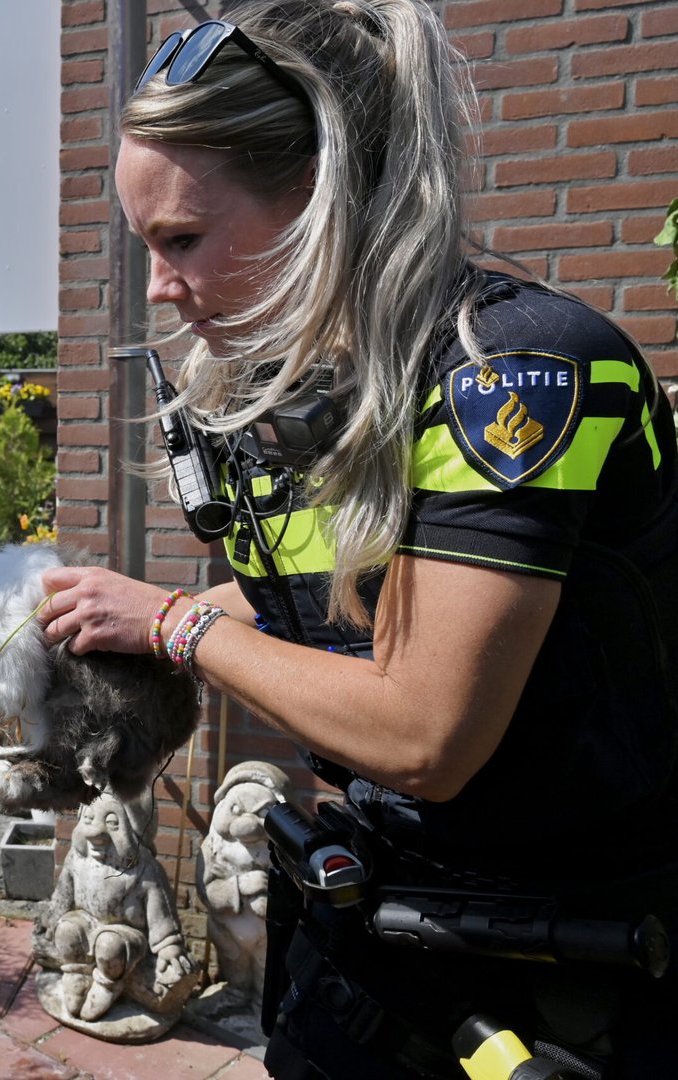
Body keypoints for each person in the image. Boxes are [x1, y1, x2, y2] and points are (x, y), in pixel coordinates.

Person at [36, 1, 677, 1075]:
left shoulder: (514, 376)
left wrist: (178, 623)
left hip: (570, 964)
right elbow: (329, 600)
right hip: (369, 931)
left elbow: (425, 733)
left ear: (326, 198)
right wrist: (123, 622)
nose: (157, 285)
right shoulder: (302, 398)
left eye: (182, 237)